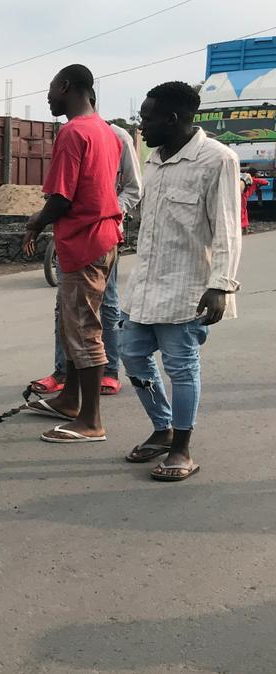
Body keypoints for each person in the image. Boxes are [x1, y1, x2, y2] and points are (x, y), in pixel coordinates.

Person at [119, 81, 241, 481]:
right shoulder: (152, 160)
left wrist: (221, 284)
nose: (142, 126)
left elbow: (227, 228)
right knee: (132, 354)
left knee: (181, 368)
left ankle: (182, 449)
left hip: (188, 288)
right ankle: (162, 427)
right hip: (146, 286)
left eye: (147, 118)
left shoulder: (216, 160)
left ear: (171, 119)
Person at [20, 65, 124, 443]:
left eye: (50, 88)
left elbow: (61, 198)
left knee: (84, 331)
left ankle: (91, 421)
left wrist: (35, 221)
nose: (48, 96)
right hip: (103, 238)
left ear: (66, 87)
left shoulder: (73, 132)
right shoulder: (107, 132)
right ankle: (70, 400)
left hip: (84, 242)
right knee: (74, 326)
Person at [29, 119, 141, 396]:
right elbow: (64, 190)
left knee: (106, 305)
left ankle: (109, 372)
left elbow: (134, 188)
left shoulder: (116, 136)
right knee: (66, 309)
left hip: (100, 233)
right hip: (72, 233)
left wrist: (107, 210)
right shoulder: (71, 134)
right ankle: (65, 373)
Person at [241, 168, 268, 234]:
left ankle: (245, 226)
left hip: (242, 196)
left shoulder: (245, 178)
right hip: (243, 196)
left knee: (244, 211)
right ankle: (242, 226)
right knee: (243, 211)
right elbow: (266, 182)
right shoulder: (254, 180)